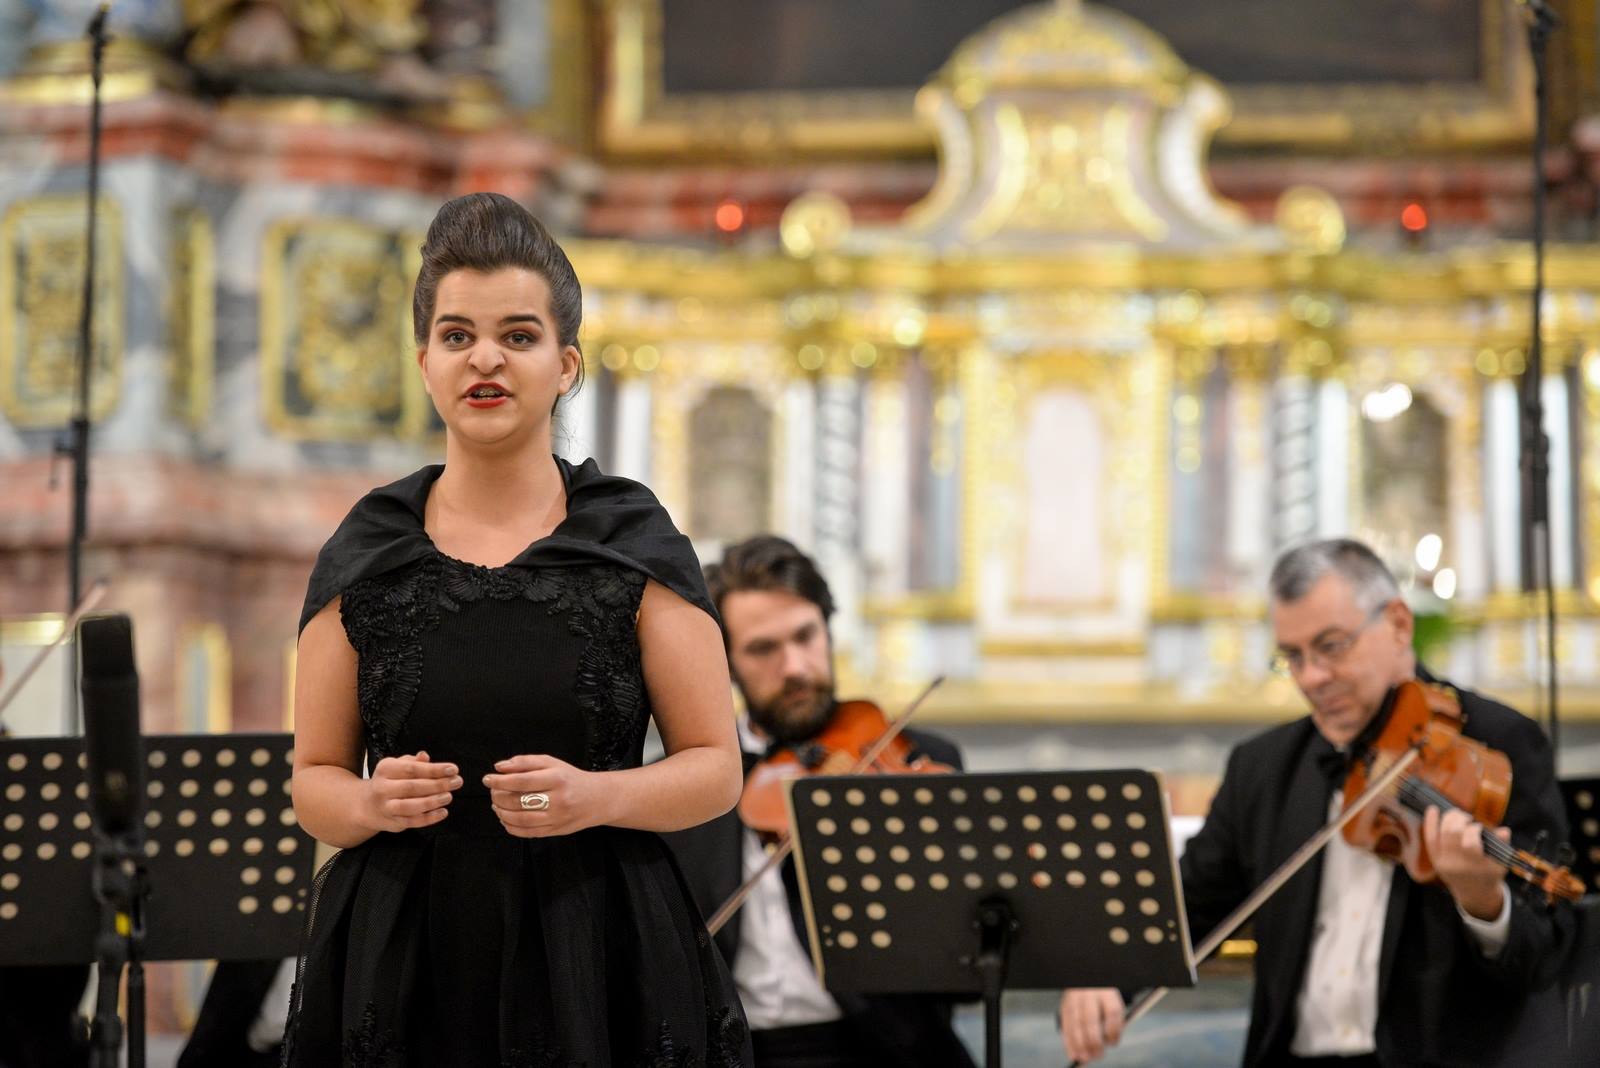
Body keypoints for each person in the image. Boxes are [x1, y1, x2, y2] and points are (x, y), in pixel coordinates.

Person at [283, 192, 751, 1067]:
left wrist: (597, 797)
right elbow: (314, 782)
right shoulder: (366, 550)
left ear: (566, 365)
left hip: (596, 937)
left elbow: (716, 770)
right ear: (423, 361)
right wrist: (370, 804)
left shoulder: (630, 539)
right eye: (457, 335)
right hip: (402, 951)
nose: (485, 358)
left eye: (520, 336)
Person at [1060, 538, 1576, 1068]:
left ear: (1399, 624)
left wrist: (1482, 900)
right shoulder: (1262, 767)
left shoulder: (1499, 745)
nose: (1311, 678)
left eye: (1331, 647)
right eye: (1294, 656)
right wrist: (1104, 975)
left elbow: (1546, 958)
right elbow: (1183, 906)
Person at [664, 535, 978, 1068]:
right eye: (764, 649)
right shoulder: (683, 786)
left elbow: (964, 970)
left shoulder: (912, 759)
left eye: (806, 636)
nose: (795, 668)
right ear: (727, 663)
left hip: (888, 1052)